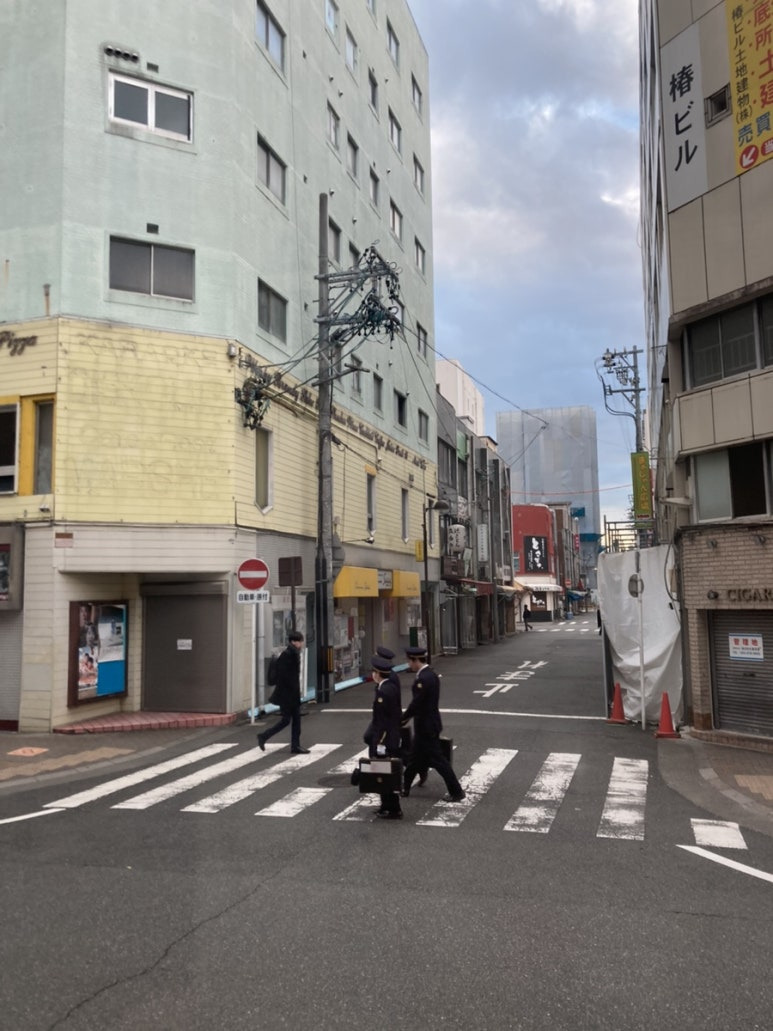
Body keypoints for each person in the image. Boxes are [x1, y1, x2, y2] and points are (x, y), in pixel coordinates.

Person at [401, 646, 465, 802]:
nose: (409, 664)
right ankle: (405, 787)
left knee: (439, 761)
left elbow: (417, 703)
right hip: (429, 724)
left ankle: (457, 791)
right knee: (414, 757)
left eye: (410, 661)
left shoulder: (423, 679)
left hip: (426, 726)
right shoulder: (431, 674)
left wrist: (404, 717)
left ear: (415, 660)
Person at [364, 654, 403, 819]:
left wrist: (379, 744)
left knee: (383, 773)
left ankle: (392, 808)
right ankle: (387, 806)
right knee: (386, 773)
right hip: (391, 736)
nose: (372, 674)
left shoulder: (383, 692)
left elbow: (382, 722)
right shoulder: (390, 687)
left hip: (384, 739)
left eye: (373, 672)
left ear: (378, 673)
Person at [257, 631, 309, 754]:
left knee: (294, 720)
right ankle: (264, 736)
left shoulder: (293, 653)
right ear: (293, 642)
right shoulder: (288, 655)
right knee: (287, 720)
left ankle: (295, 745)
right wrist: (292, 692)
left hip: (291, 694)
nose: (301, 644)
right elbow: (285, 677)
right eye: (300, 641)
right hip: (287, 695)